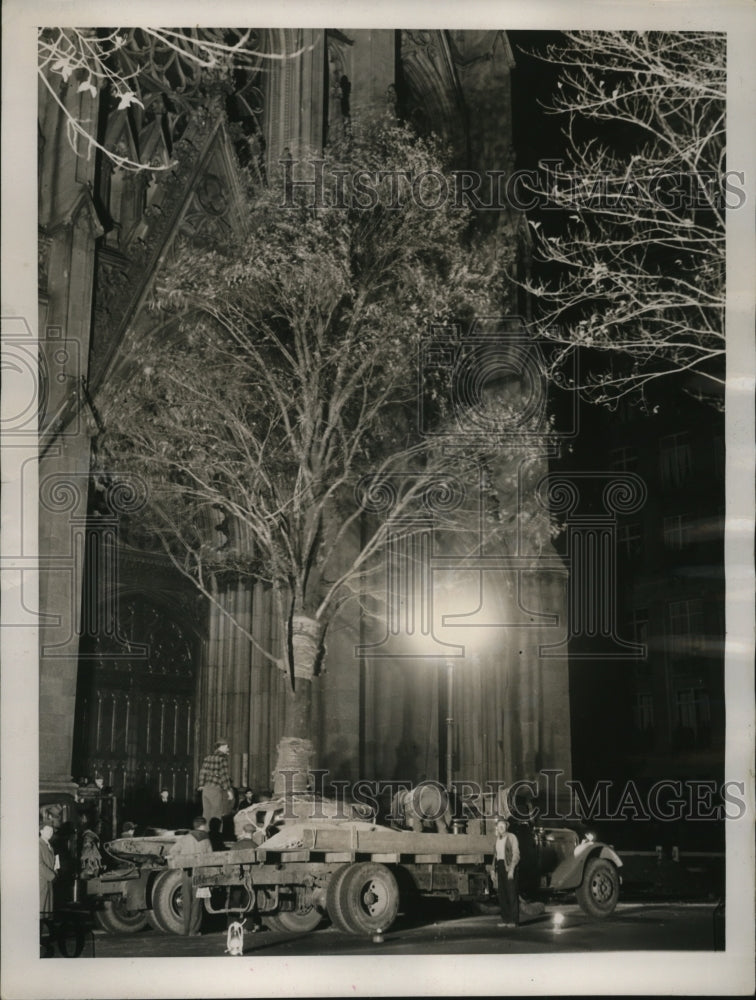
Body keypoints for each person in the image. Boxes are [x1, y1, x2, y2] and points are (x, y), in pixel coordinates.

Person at [167, 817, 212, 935]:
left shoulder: (185, 838)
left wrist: (181, 863)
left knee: (186, 901)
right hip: (200, 875)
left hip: (186, 873)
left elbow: (172, 852)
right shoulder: (206, 839)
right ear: (203, 826)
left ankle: (185, 929)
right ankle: (194, 930)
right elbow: (211, 858)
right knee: (197, 902)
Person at [197, 739, 234, 823]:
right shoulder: (222, 759)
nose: (228, 749)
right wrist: (228, 790)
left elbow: (202, 772)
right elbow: (224, 775)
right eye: (227, 747)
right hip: (215, 789)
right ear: (222, 746)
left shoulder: (207, 758)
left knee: (206, 814)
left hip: (206, 789)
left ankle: (205, 833)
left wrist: (201, 784)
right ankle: (215, 834)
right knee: (216, 814)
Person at [493, 817, 520, 928]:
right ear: (497, 828)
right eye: (499, 825)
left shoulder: (512, 837)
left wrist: (512, 868)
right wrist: (492, 871)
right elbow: (495, 856)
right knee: (502, 894)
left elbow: (516, 854)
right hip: (499, 867)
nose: (501, 827)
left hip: (508, 867)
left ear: (506, 826)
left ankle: (514, 921)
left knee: (511, 894)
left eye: (503, 825)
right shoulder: (497, 839)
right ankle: (505, 920)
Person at [39, 823, 57, 915]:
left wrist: (55, 871)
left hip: (49, 881)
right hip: (42, 881)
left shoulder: (50, 846)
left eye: (52, 830)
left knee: (47, 910)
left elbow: (53, 863)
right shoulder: (38, 844)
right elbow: (39, 864)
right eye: (48, 830)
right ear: (41, 831)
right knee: (41, 908)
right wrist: (52, 875)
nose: (51, 832)